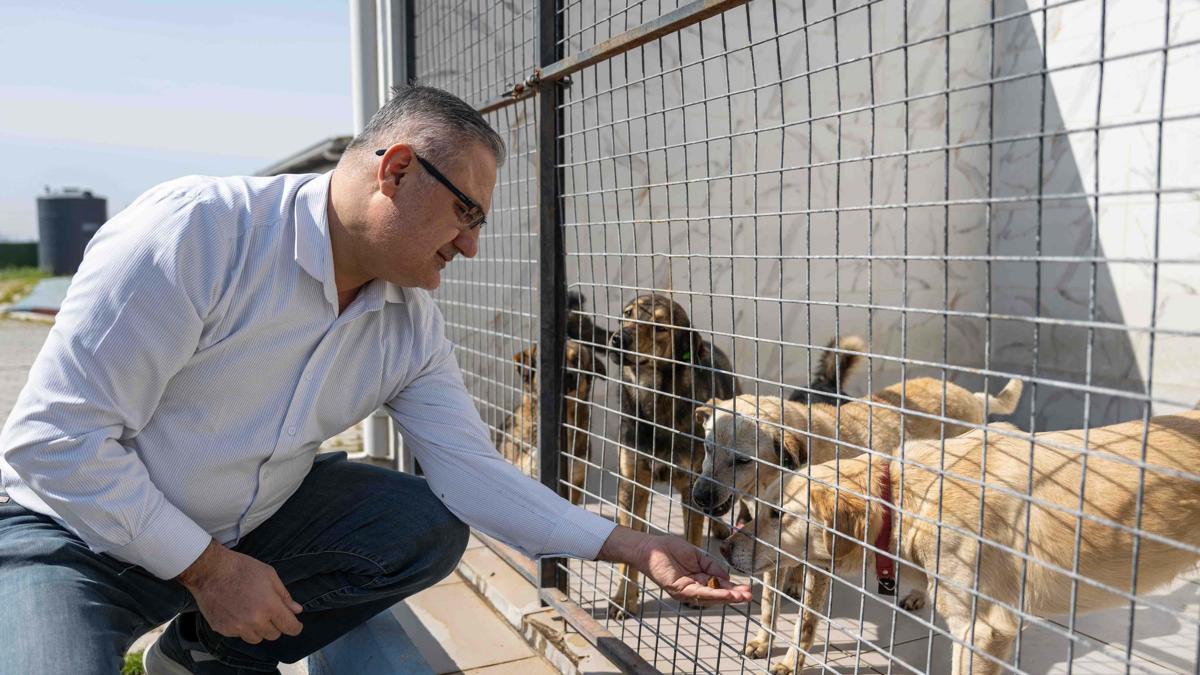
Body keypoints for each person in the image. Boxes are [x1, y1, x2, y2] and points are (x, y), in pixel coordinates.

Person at [0, 85, 750, 675]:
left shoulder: (406, 322)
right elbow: (53, 442)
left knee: (419, 524)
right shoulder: (196, 233)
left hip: (246, 530)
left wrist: (631, 545)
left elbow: (472, 473)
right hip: (74, 539)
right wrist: (208, 569)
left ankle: (202, 655)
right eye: (466, 212)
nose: (472, 245)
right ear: (395, 170)